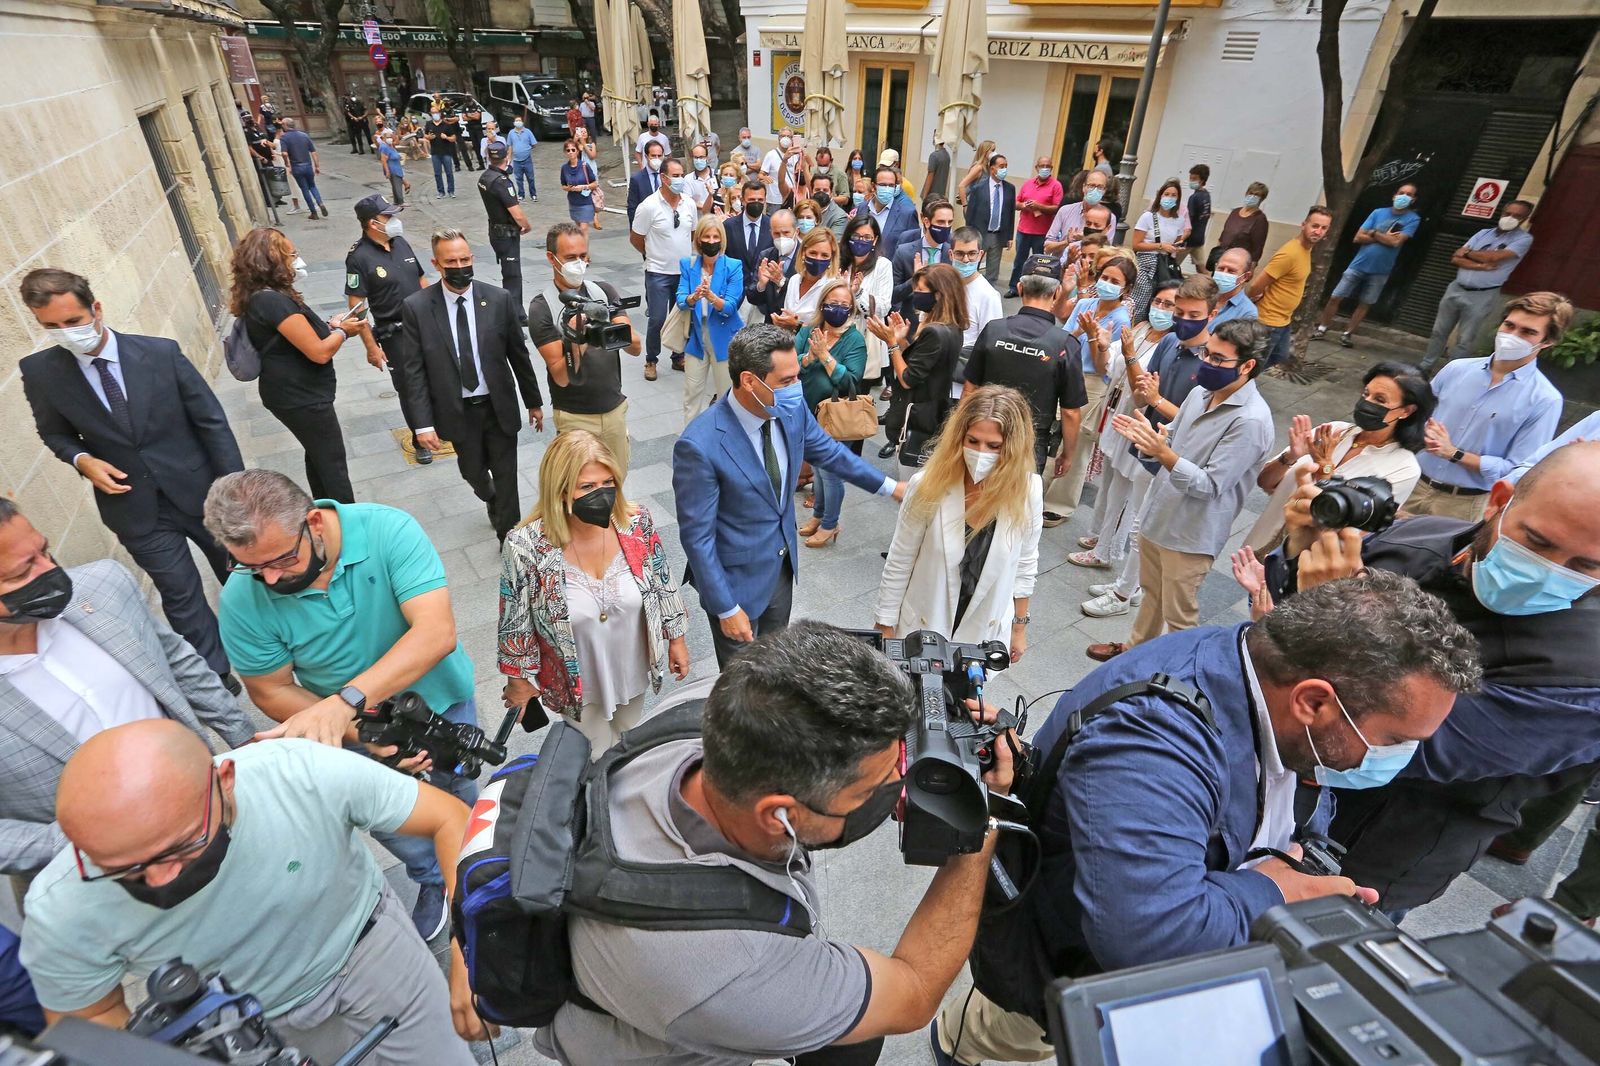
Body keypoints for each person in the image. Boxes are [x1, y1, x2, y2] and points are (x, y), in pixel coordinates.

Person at [941, 572, 1480, 1064]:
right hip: (1057, 961)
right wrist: (1276, 890)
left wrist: (1304, 869)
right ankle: (954, 1047)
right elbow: (1149, 935)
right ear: (1314, 702)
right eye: (1393, 740)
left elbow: (1297, 798)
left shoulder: (1272, 688)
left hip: (1166, 955)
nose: (1398, 758)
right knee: (1001, 1035)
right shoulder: (1154, 738)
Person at [533, 621, 1015, 1066]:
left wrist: (941, 724)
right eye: (871, 788)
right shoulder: (733, 969)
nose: (899, 782)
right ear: (778, 816)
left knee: (849, 1044)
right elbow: (914, 990)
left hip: (642, 983)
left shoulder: (722, 705)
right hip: (664, 1043)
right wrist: (982, 816)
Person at [1259, 441, 1600, 915]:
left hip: (1370, 850)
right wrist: (1301, 550)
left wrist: (1336, 613)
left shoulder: (1581, 681)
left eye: (1586, 566)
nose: (1545, 573)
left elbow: (1388, 746)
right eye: (1537, 542)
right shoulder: (1417, 540)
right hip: (1265, 787)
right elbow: (1280, 618)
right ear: (1499, 501)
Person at [19, 720, 483, 1063]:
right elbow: (90, 1018)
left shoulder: (298, 772)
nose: (159, 879)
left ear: (225, 782)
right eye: (123, 868)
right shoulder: (60, 909)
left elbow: (450, 818)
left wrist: (470, 952)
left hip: (370, 953)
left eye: (181, 847)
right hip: (236, 1024)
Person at [205, 469, 479, 941]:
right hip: (351, 734)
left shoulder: (386, 529)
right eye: (253, 567)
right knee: (390, 820)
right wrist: (361, 731)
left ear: (313, 522)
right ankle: (433, 880)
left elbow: (435, 633)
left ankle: (476, 866)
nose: (271, 578)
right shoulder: (241, 600)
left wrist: (346, 702)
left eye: (283, 559)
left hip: (439, 703)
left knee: (460, 791)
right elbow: (269, 689)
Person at [0, 500, 251, 877]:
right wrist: (88, 842)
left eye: (44, 550)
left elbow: (176, 660)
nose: (50, 571)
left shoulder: (103, 585)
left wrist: (245, 739)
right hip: (107, 883)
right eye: (23, 571)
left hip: (212, 813)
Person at [19, 268, 244, 684]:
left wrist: (236, 489)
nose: (66, 333)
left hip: (202, 492)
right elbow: (54, 433)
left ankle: (267, 645)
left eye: (73, 321)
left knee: (241, 573)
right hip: (132, 506)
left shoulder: (159, 353)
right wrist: (82, 459)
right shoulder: (40, 372)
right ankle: (216, 676)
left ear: (96, 308)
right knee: (180, 593)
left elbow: (211, 422)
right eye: (51, 327)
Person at [673, 325, 905, 667]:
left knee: (777, 667)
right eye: (787, 380)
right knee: (743, 682)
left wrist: (889, 487)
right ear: (749, 381)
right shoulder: (699, 445)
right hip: (735, 585)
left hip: (780, 571)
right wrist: (725, 607)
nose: (797, 387)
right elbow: (698, 537)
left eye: (797, 376)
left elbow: (829, 452)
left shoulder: (790, 410)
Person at [498, 431, 688, 755]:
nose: (601, 494)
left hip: (631, 663)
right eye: (587, 487)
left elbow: (662, 579)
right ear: (560, 491)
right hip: (574, 678)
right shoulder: (525, 545)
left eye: (608, 483)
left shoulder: (636, 522)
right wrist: (517, 679)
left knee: (629, 742)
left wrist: (677, 638)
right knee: (598, 754)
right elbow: (514, 620)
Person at [1095, 318, 1275, 655]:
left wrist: (1163, 452)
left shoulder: (1250, 421)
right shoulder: (1199, 393)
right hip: (1160, 513)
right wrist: (1157, 441)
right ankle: (1135, 653)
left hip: (1191, 533)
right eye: (1207, 353)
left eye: (1218, 359)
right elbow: (1175, 437)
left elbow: (1210, 485)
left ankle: (1176, 672)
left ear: (1248, 366)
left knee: (1179, 615)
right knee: (1151, 594)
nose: (1206, 363)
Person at [877, 385, 1043, 659]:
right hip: (924, 627)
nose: (981, 453)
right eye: (973, 441)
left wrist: (1019, 629)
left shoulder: (1029, 491)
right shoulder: (927, 485)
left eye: (994, 446)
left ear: (1013, 447)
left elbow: (1026, 562)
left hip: (984, 634)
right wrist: (885, 624)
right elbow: (900, 558)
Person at [398, 229, 544, 541]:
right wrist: (422, 425)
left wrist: (533, 402)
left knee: (507, 476)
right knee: (472, 472)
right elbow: (414, 371)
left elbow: (518, 355)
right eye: (451, 261)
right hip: (457, 410)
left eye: (465, 259)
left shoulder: (498, 299)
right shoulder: (417, 307)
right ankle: (490, 496)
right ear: (436, 264)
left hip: (497, 405)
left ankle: (510, 539)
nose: (460, 266)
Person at [1405, 292, 1566, 521]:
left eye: (1527, 332)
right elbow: (1414, 415)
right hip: (1411, 481)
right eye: (1509, 325)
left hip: (1462, 504)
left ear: (1547, 342)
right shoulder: (1457, 369)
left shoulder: (1544, 399)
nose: (1512, 336)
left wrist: (1454, 453)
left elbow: (1519, 469)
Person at [229, 228, 362, 504]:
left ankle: (324, 512)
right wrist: (344, 332)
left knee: (318, 455)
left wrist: (331, 327)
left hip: (294, 393)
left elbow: (297, 337)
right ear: (273, 260)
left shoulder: (265, 296)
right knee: (333, 464)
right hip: (300, 397)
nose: (297, 260)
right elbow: (319, 353)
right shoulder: (271, 301)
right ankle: (347, 522)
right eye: (292, 255)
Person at [1245, 361, 1431, 553]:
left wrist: (1326, 471)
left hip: (1304, 561)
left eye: (1380, 400)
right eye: (1366, 394)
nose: (1367, 403)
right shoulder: (1333, 431)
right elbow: (1265, 482)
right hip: (1260, 546)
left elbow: (1353, 533)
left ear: (1406, 411)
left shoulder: (1403, 468)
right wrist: (1290, 457)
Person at [1070, 278, 1178, 591]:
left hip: (1139, 420)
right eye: (1158, 301)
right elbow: (1108, 364)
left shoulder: (1169, 345)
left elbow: (1141, 387)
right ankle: (1099, 534)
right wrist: (1102, 343)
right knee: (1109, 480)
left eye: (1169, 305)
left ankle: (1107, 550)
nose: (1161, 309)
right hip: (1117, 411)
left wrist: (1129, 354)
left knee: (1125, 489)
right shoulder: (1141, 328)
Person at [530, 223, 641, 472]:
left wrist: (607, 321)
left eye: (583, 256)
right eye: (570, 258)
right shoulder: (542, 307)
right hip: (574, 417)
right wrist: (576, 336)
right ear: (551, 258)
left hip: (613, 409)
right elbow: (560, 376)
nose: (579, 264)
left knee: (616, 480)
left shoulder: (603, 292)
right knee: (579, 485)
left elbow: (635, 348)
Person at [963, 270, 1088, 475]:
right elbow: (1070, 412)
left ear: (1020, 288)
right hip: (1031, 440)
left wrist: (963, 431)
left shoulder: (993, 329)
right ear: (1057, 292)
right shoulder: (1065, 344)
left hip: (983, 432)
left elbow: (970, 389)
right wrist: (1068, 454)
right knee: (1021, 495)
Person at [1043, 254, 1136, 522]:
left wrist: (1094, 337)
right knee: (1051, 435)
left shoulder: (1120, 320)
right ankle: (1038, 491)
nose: (1107, 284)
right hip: (1065, 373)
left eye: (1115, 281)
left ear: (1126, 289)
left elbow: (1102, 366)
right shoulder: (1085, 304)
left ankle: (1059, 505)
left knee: (1077, 442)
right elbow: (1064, 340)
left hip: (1093, 383)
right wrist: (1080, 332)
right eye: (1104, 277)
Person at [343, 195, 433, 465]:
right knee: (410, 388)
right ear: (373, 223)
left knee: (437, 377)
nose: (394, 221)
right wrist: (371, 346)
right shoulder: (358, 257)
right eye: (388, 216)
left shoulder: (400, 242)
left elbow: (421, 279)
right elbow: (356, 307)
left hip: (424, 326)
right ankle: (420, 439)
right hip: (395, 334)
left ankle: (438, 426)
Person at [867, 264, 969, 473]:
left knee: (910, 480)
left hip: (918, 417)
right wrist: (902, 341)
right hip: (931, 413)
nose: (915, 295)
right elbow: (920, 362)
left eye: (921, 290)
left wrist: (891, 343)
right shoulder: (952, 327)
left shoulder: (935, 332)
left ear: (939, 294)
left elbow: (907, 378)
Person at [794, 279, 870, 548]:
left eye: (844, 305)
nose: (838, 309)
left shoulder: (854, 340)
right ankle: (818, 515)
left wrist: (826, 357)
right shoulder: (808, 330)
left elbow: (851, 381)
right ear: (822, 304)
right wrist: (809, 358)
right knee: (817, 467)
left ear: (851, 309)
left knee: (831, 473)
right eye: (832, 303)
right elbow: (791, 366)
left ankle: (830, 523)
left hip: (836, 418)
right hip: (808, 412)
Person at [1422, 199, 1535, 372]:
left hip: (1483, 294)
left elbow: (1493, 257)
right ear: (1502, 212)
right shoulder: (1483, 233)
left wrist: (1468, 253)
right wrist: (1481, 265)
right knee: (1439, 331)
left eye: (1517, 216)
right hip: (1456, 288)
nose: (1510, 218)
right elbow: (1456, 258)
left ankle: (1452, 372)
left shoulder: (1523, 239)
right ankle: (1426, 365)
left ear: (1525, 219)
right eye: (1508, 213)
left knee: (1465, 338)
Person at [1315, 184, 1421, 346]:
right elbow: (1358, 237)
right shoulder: (1378, 213)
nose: (1404, 197)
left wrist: (1373, 232)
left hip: (1381, 270)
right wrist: (1384, 237)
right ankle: (1322, 328)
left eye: (1409, 194)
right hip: (1358, 264)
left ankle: (1347, 334)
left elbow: (1396, 242)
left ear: (1413, 199)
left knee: (1366, 303)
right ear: (1394, 195)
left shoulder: (1412, 219)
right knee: (1336, 296)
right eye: (1401, 193)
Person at [632, 156, 698, 380]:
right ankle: (651, 359)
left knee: (681, 316)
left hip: (683, 272)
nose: (680, 179)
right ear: (663, 178)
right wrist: (652, 254)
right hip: (658, 272)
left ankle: (678, 356)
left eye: (682, 175)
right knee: (658, 318)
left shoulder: (689, 204)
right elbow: (636, 238)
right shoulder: (648, 206)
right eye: (675, 176)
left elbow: (692, 234)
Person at [678, 215, 746, 422]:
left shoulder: (733, 266)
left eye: (716, 237)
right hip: (697, 338)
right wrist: (694, 297)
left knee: (726, 396)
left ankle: (725, 436)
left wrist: (711, 297)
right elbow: (681, 299)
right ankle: (690, 437)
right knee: (691, 395)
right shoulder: (688, 264)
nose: (711, 241)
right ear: (698, 239)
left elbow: (731, 306)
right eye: (706, 236)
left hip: (725, 339)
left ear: (722, 240)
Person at [1249, 206, 1332, 366]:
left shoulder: (1305, 250)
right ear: (1304, 224)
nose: (1318, 231)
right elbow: (1256, 286)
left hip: (1284, 319)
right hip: (1269, 320)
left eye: (1324, 228)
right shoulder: (1289, 253)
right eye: (1315, 226)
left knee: (1279, 356)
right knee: (1255, 365)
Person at [477, 143, 534, 325]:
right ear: (506, 158)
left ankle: (515, 313)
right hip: (506, 234)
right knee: (512, 277)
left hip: (495, 231)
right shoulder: (501, 182)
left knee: (509, 273)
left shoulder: (485, 177)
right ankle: (514, 316)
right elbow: (516, 213)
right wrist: (526, 226)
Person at [840, 215, 894, 383]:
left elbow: (883, 307)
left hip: (867, 339)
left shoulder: (882, 265)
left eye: (867, 237)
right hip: (838, 338)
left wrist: (858, 294)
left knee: (861, 392)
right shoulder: (839, 263)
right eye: (856, 236)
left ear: (875, 240)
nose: (861, 241)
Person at [1129, 178, 1189, 320]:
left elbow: (1176, 242)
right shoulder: (1148, 217)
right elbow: (1136, 244)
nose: (1169, 198)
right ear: (1160, 196)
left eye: (1174, 195)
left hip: (1165, 264)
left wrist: (1176, 248)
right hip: (1146, 263)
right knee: (1140, 300)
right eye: (1166, 194)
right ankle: (1132, 324)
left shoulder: (1179, 220)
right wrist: (1161, 246)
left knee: (1159, 299)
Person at [1006, 157, 1063, 297]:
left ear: (1051, 168)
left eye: (1048, 166)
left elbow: (1057, 208)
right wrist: (1024, 205)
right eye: (1042, 165)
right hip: (1023, 230)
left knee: (1040, 264)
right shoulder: (1028, 184)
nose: (1045, 168)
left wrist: (1039, 207)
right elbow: (1016, 203)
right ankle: (1014, 287)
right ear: (1037, 167)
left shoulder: (1056, 186)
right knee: (1019, 261)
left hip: (1042, 232)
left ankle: (1036, 291)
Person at [1042, 168, 1119, 265]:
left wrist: (1086, 239)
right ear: (1084, 187)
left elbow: (1106, 251)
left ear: (1105, 190)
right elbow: (1047, 248)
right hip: (1061, 267)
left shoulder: (1110, 217)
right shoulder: (1065, 211)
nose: (1095, 190)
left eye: (1100, 187)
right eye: (1091, 186)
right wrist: (1067, 242)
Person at [962, 153, 1015, 288]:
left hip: (998, 234)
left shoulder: (1010, 189)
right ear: (992, 169)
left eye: (1006, 166)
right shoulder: (978, 188)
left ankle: (989, 291)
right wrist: (969, 235)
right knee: (973, 266)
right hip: (980, 233)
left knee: (993, 271)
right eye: (1001, 166)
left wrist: (1009, 236)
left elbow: (1010, 213)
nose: (1004, 169)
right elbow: (971, 214)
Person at [771, 228, 839, 331]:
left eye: (824, 255)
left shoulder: (832, 287)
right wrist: (781, 321)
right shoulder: (794, 280)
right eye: (813, 253)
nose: (818, 258)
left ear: (831, 258)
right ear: (803, 252)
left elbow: (830, 331)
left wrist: (797, 325)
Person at [724, 178, 773, 303]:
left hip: (763, 296)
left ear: (765, 200)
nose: (756, 203)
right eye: (751, 200)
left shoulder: (772, 226)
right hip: (734, 295)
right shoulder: (728, 226)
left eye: (760, 200)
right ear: (743, 200)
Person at [751, 209, 800, 325]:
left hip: (796, 325)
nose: (781, 237)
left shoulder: (806, 256)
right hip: (771, 326)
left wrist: (782, 281)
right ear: (771, 233)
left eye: (786, 233)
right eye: (776, 234)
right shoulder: (766, 256)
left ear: (797, 231)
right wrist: (761, 285)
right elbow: (753, 298)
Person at [1207, 181, 1271, 270]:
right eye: (1250, 193)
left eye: (1256, 195)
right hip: (1222, 256)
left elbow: (1257, 248)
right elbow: (1224, 234)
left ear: (1262, 199)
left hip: (1238, 262)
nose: (1252, 196)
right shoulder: (1235, 212)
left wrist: (1251, 268)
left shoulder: (1260, 219)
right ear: (1246, 193)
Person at [276, 118, 326, 220]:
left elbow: (284, 153)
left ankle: (313, 212)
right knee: (312, 186)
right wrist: (317, 166)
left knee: (304, 189)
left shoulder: (284, 138)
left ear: (285, 125)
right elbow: (313, 152)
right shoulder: (304, 135)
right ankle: (320, 202)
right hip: (307, 165)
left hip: (296, 166)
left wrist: (287, 164)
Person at [869, 164, 919, 252]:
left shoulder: (907, 214)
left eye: (891, 186)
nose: (887, 189)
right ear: (873, 187)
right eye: (883, 185)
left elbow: (913, 248)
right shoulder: (863, 208)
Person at [1208, 247, 1259, 325]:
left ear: (1245, 277)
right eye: (1221, 268)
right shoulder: (1201, 294)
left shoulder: (1247, 313)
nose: (1224, 274)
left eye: (1231, 271)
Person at [560, 139, 600, 232]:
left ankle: (583, 242)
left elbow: (595, 184)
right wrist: (569, 188)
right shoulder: (564, 168)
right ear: (565, 152)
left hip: (586, 201)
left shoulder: (584, 165)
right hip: (573, 202)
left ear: (577, 151)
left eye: (573, 150)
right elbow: (563, 185)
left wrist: (583, 187)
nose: (571, 152)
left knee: (583, 229)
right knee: (579, 230)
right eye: (568, 150)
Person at [627, 139, 666, 225]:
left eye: (659, 156)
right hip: (646, 224)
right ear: (646, 156)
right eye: (653, 156)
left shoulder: (667, 176)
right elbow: (632, 208)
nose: (657, 159)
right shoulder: (637, 179)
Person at [952, 139, 997, 207]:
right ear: (985, 151)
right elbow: (961, 185)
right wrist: (965, 205)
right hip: (974, 205)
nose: (995, 153)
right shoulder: (978, 167)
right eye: (992, 150)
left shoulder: (987, 167)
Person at [424, 107, 456, 198]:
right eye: (433, 113)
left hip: (446, 152)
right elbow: (425, 135)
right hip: (435, 153)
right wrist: (429, 137)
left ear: (439, 113)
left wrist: (446, 137)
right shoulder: (429, 124)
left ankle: (451, 191)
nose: (435, 114)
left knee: (449, 172)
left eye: (436, 112)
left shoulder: (446, 125)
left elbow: (454, 138)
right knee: (437, 174)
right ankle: (441, 192)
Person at [506, 116, 537, 200]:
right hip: (516, 160)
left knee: (530, 178)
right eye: (516, 120)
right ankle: (521, 194)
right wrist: (509, 159)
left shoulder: (528, 132)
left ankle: (533, 194)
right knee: (518, 179)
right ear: (514, 122)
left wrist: (527, 148)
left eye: (519, 120)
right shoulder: (511, 133)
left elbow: (534, 144)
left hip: (527, 159)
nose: (518, 122)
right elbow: (510, 146)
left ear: (522, 122)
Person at [810, 174, 850, 239]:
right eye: (817, 190)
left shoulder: (840, 216)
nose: (821, 193)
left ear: (831, 193)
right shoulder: (804, 210)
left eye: (825, 190)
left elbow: (834, 242)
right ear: (812, 192)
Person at [376, 129, 407, 205]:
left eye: (390, 137)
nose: (390, 138)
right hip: (392, 169)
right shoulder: (384, 147)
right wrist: (387, 171)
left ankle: (396, 201)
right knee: (397, 185)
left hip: (396, 167)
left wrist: (398, 157)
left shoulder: (390, 145)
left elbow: (393, 154)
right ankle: (401, 202)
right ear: (383, 138)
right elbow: (384, 160)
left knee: (396, 185)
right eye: (387, 137)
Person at [923, 131, 952, 201]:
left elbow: (930, 177)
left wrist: (924, 196)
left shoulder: (934, 156)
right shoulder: (947, 155)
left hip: (931, 195)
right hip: (941, 195)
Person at [461, 103, 485, 171]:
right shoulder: (465, 107)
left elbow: (477, 117)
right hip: (471, 129)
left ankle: (487, 161)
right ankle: (481, 164)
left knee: (482, 145)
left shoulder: (477, 106)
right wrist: (473, 115)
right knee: (476, 147)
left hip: (478, 129)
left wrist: (469, 115)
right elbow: (464, 118)